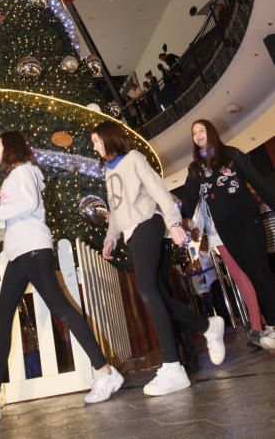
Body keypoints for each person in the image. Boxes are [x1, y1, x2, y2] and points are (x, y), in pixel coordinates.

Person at [0, 131, 122, 423]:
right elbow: (20, 215)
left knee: (62, 310)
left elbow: (28, 204)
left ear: (9, 147)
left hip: (32, 251)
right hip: (22, 252)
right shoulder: (14, 177)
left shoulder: (23, 172)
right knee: (4, 317)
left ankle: (105, 371)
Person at [91, 120, 225, 397]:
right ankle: (208, 326)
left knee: (146, 289)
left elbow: (156, 188)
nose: (94, 147)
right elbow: (116, 209)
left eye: (96, 141)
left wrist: (174, 222)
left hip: (148, 224)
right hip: (131, 233)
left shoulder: (133, 158)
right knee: (157, 294)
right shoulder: (108, 171)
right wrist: (110, 237)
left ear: (109, 139)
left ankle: (173, 366)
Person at [182, 119, 275, 351]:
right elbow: (189, 201)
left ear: (211, 132)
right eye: (194, 133)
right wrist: (179, 222)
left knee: (260, 271)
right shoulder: (195, 169)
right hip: (225, 227)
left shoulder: (231, 154)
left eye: (201, 130)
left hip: (247, 219)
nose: (198, 135)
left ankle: (272, 324)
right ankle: (268, 325)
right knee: (253, 274)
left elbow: (257, 180)